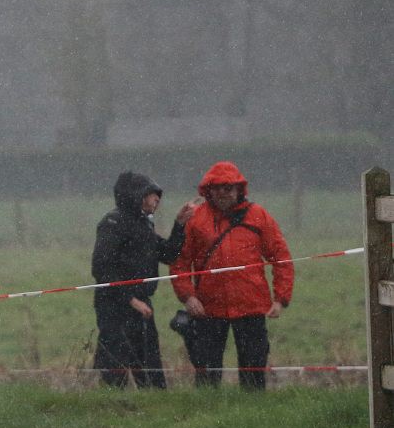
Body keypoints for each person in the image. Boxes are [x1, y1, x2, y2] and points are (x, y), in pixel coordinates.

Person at [171, 161, 293, 390]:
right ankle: (206, 416)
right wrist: (188, 297)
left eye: (228, 188)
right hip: (208, 307)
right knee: (207, 374)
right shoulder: (196, 219)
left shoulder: (258, 216)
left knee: (254, 373)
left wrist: (280, 298)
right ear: (208, 190)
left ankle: (251, 414)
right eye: (217, 188)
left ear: (239, 190)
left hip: (251, 305)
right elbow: (180, 263)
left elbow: (281, 258)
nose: (223, 193)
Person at [90, 171, 196, 389]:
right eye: (151, 194)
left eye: (158, 195)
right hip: (114, 305)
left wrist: (179, 225)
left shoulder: (144, 225)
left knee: (149, 367)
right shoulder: (113, 223)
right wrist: (130, 299)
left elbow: (168, 254)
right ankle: (113, 410)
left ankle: (155, 409)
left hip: (141, 303)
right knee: (115, 367)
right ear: (135, 195)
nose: (157, 199)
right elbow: (101, 268)